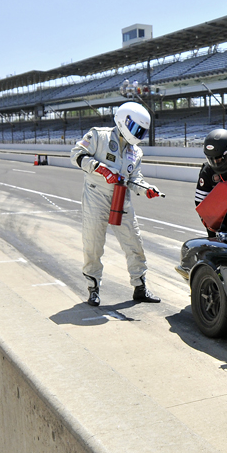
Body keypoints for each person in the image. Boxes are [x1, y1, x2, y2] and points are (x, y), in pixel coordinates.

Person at [70, 101, 162, 307]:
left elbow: (134, 178)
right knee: (93, 244)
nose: (139, 135)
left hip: (122, 199)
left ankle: (140, 287)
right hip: (96, 197)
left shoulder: (136, 152)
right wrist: (100, 169)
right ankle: (93, 288)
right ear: (124, 121)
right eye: (137, 129)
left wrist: (146, 189)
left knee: (134, 243)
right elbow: (76, 155)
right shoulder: (98, 136)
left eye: (142, 131)